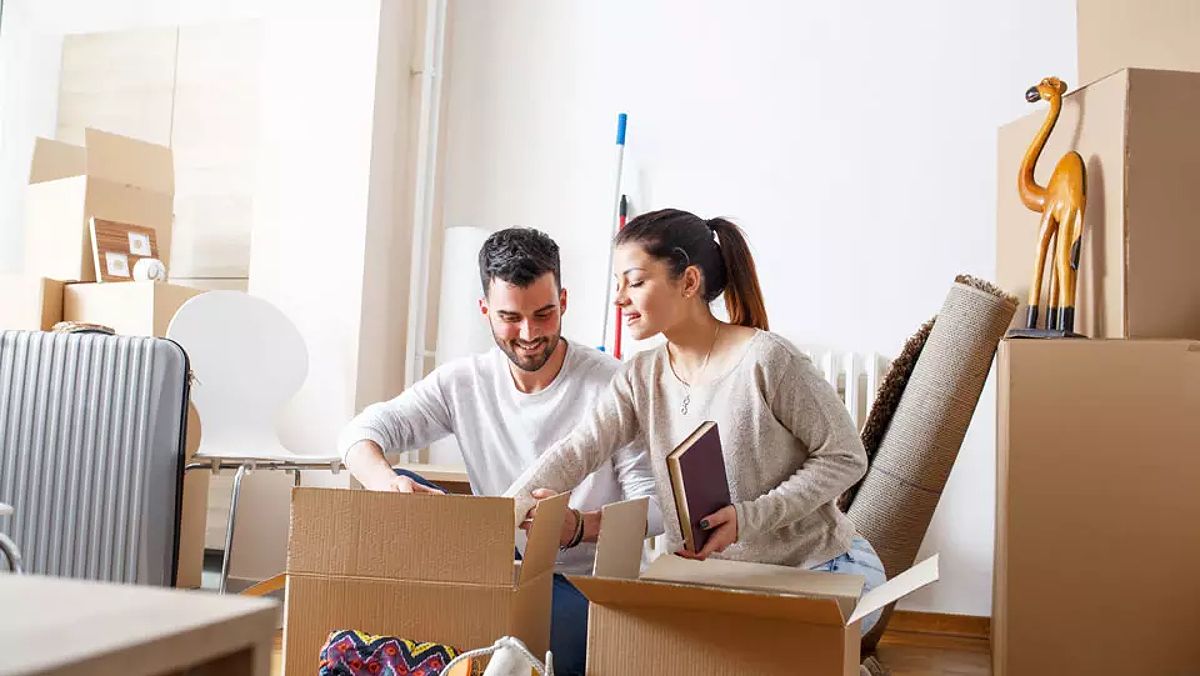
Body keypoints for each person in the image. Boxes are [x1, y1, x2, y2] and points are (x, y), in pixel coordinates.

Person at [505, 208, 888, 634]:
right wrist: (502, 514)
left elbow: (846, 457)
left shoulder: (767, 360)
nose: (619, 298)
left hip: (821, 570)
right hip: (716, 582)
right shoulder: (640, 376)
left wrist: (749, 517)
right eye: (618, 285)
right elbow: (579, 449)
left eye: (634, 282)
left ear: (689, 282)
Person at [337, 227, 663, 676]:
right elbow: (360, 432)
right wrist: (387, 484)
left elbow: (657, 508)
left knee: (518, 636)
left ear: (563, 302)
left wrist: (578, 528)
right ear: (485, 310)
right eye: (510, 317)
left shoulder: (613, 384)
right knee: (416, 514)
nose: (529, 333)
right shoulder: (463, 382)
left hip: (587, 586)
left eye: (544, 314)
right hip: (496, 573)